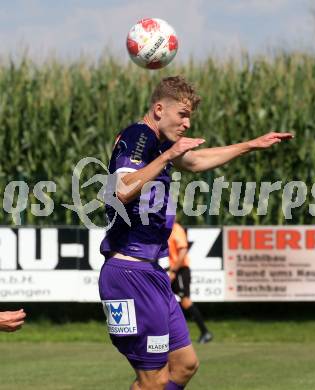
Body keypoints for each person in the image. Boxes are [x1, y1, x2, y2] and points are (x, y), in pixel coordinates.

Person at [98, 75, 293, 390]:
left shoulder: (160, 144)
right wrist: (167, 157)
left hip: (152, 272)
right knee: (153, 380)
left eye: (190, 116)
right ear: (159, 109)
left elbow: (197, 160)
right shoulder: (139, 137)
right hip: (129, 272)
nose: (187, 123)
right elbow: (121, 190)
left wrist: (251, 144)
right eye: (183, 115)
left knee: (185, 365)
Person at [168, 222, 212, 344]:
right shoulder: (162, 228)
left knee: (186, 301)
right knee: (162, 301)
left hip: (180, 271)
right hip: (170, 271)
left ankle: (205, 332)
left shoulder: (176, 229)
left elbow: (183, 251)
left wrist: (173, 270)